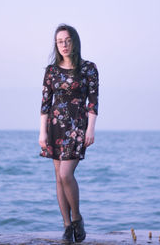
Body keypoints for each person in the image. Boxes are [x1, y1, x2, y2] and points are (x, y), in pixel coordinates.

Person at [38, 23, 99, 243]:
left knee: (66, 175)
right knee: (58, 178)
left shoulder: (88, 68)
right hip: (55, 126)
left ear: (74, 41)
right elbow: (45, 104)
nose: (63, 45)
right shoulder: (51, 71)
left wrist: (90, 129)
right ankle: (66, 226)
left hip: (77, 127)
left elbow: (93, 102)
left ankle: (77, 218)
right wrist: (42, 133)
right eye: (59, 41)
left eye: (67, 40)